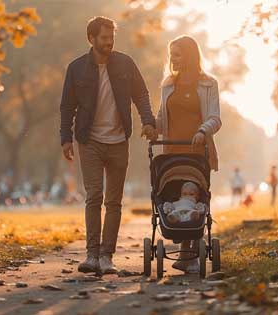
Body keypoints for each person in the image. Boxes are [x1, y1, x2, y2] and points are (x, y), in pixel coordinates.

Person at [59, 16, 157, 274]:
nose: (109, 42)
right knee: (94, 197)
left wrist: (148, 121)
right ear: (91, 39)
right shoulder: (76, 68)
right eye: (104, 38)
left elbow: (142, 94)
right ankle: (91, 255)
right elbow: (67, 106)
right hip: (89, 141)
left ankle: (106, 256)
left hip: (118, 141)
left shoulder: (125, 63)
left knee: (114, 201)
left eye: (111, 37)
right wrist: (65, 138)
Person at [155, 35, 222, 274]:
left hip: (197, 152)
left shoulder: (208, 84)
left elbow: (215, 117)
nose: (172, 58)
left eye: (177, 53)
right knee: (175, 197)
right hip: (172, 153)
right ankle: (186, 253)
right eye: (171, 53)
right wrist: (151, 126)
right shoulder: (167, 84)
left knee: (194, 196)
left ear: (190, 55)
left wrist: (203, 131)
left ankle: (188, 253)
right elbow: (162, 118)